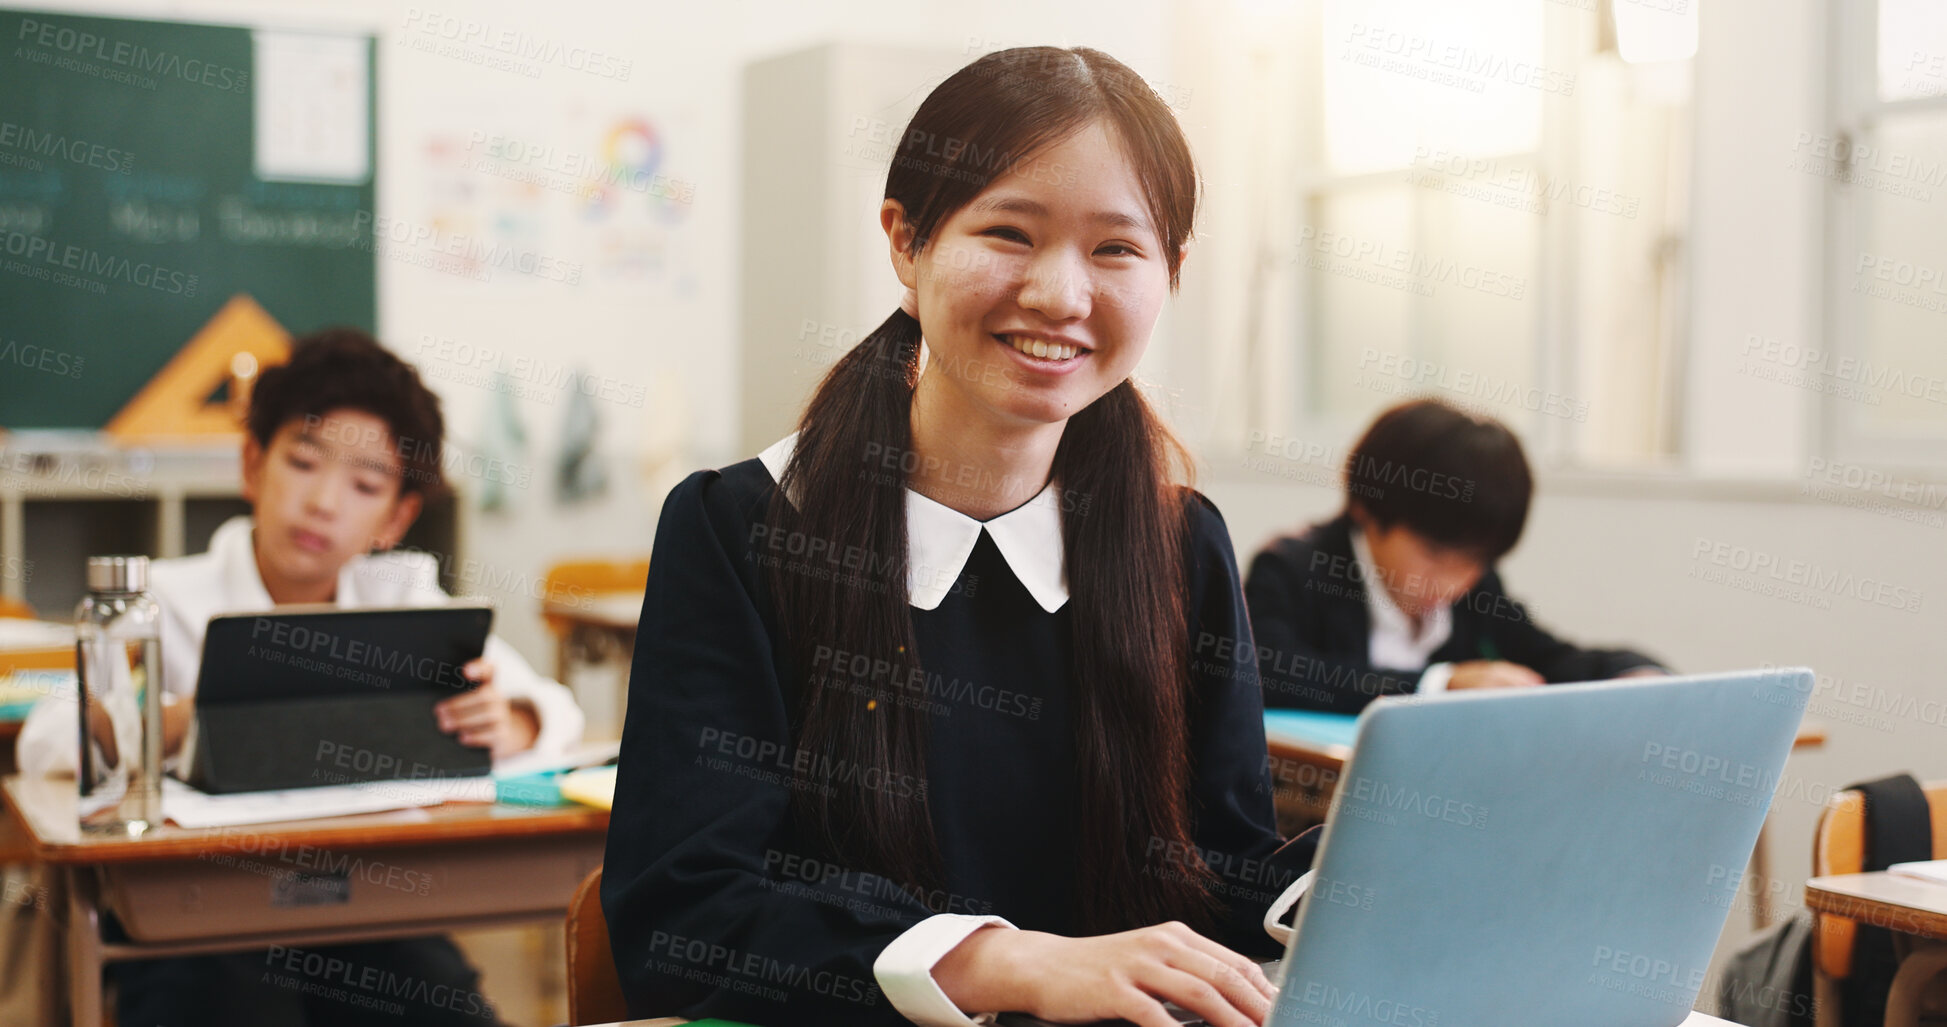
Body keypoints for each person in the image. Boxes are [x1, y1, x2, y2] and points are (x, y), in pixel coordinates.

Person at [603, 45, 1316, 1027]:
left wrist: (1348, 883)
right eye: (1011, 233)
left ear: (1172, 273)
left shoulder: (1180, 540)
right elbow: (680, 916)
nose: (1062, 296)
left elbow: (1215, 878)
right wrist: (1000, 964)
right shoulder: (746, 527)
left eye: (1117, 249)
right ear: (906, 242)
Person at [18, 327, 584, 1027]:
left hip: (369, 911)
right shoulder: (161, 602)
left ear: (397, 516)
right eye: (304, 462)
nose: (323, 502)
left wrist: (517, 718)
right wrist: (159, 724)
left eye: (364, 484)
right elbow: (44, 740)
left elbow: (554, 708)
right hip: (193, 916)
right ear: (253, 465)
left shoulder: (399, 599)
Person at [1245, 397, 1665, 714]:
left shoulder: (1474, 589)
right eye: (1434, 555)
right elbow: (1272, 673)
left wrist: (1633, 675)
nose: (1451, 583)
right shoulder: (1292, 569)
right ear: (1368, 509)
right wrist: (1439, 685)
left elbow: (1549, 658)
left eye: (1474, 561)